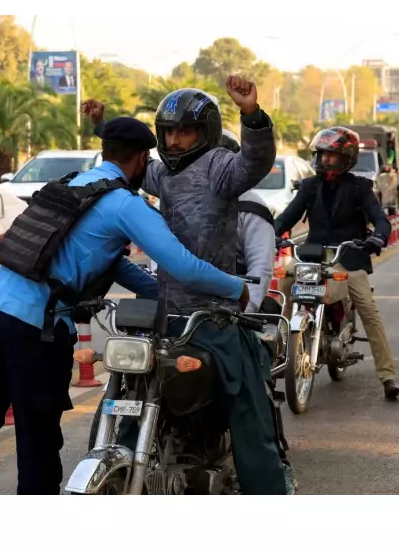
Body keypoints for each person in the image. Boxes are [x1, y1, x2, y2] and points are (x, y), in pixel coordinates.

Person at [0, 116, 252, 495]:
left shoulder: (73, 184)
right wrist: (235, 288)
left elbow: (110, 262)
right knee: (38, 436)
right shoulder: (124, 204)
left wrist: (161, 294)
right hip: (37, 326)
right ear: (141, 159)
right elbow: (183, 265)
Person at [84, 76, 295, 495]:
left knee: (247, 403)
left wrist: (251, 114)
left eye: (185, 131)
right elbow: (130, 163)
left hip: (216, 316)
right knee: (134, 389)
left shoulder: (219, 166)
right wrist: (102, 126)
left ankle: (270, 488)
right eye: (168, 132)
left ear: (207, 131)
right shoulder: (163, 173)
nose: (175, 140)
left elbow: (255, 161)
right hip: (168, 315)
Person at [273, 127, 399, 400]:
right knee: (285, 281)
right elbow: (286, 218)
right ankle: (282, 350)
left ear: (346, 158)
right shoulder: (309, 187)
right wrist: (272, 234)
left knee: (369, 311)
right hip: (312, 254)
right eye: (321, 154)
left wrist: (377, 238)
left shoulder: (360, 187)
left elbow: (380, 219)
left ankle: (387, 376)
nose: (324, 159)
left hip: (348, 257)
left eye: (330, 155)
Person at [220, 129, 277, 314]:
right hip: (183, 302)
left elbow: (260, 267)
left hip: (232, 304)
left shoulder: (252, 207)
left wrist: (245, 309)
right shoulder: (182, 201)